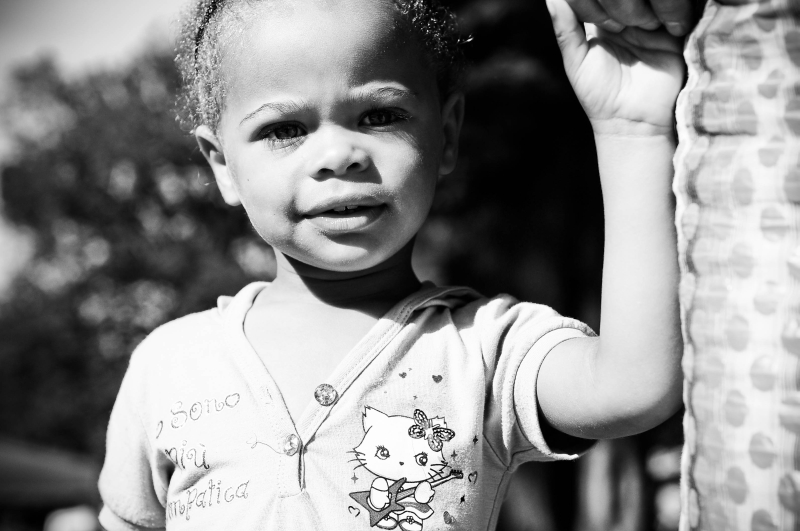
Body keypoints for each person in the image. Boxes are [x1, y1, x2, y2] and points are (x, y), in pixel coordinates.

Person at [97, 0, 685, 528]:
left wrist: (632, 131)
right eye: (284, 129)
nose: (338, 155)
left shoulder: (484, 351)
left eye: (380, 115)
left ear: (446, 135)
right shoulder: (168, 365)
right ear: (222, 164)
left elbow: (634, 386)